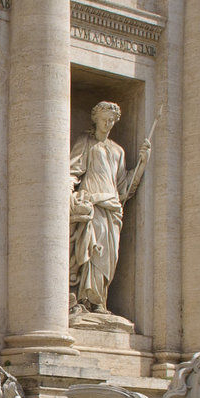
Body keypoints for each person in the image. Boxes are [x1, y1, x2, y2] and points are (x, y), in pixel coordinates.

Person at [68, 101, 152, 314]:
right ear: (95, 119)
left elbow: (124, 186)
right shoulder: (86, 143)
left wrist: (142, 164)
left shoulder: (117, 150)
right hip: (94, 203)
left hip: (113, 208)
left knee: (107, 257)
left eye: (112, 120)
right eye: (105, 119)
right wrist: (68, 193)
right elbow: (73, 170)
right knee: (91, 252)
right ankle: (84, 300)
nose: (108, 123)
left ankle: (99, 301)